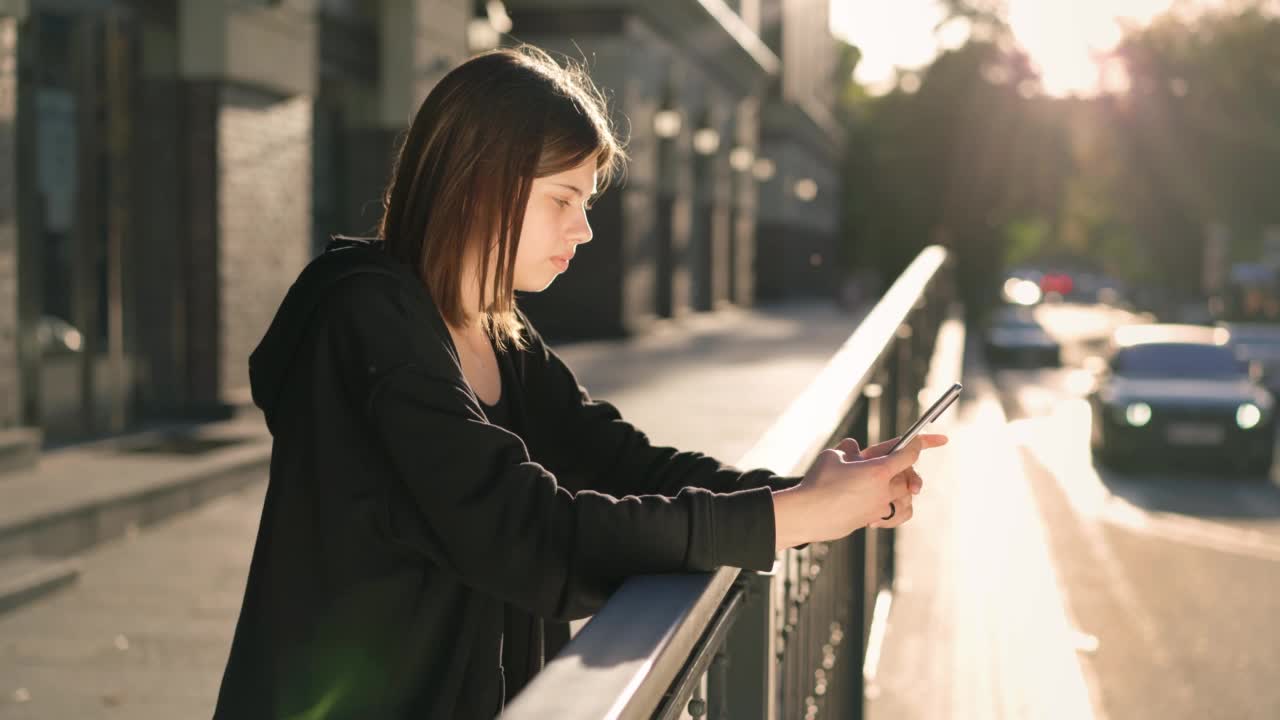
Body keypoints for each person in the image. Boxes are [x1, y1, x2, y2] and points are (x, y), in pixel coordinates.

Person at [212, 45, 947, 719]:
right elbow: (531, 536)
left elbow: (627, 465)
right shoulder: (365, 319)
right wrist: (794, 519)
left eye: (586, 204)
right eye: (563, 199)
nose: (585, 230)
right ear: (477, 185)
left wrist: (801, 493)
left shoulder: (497, 329)